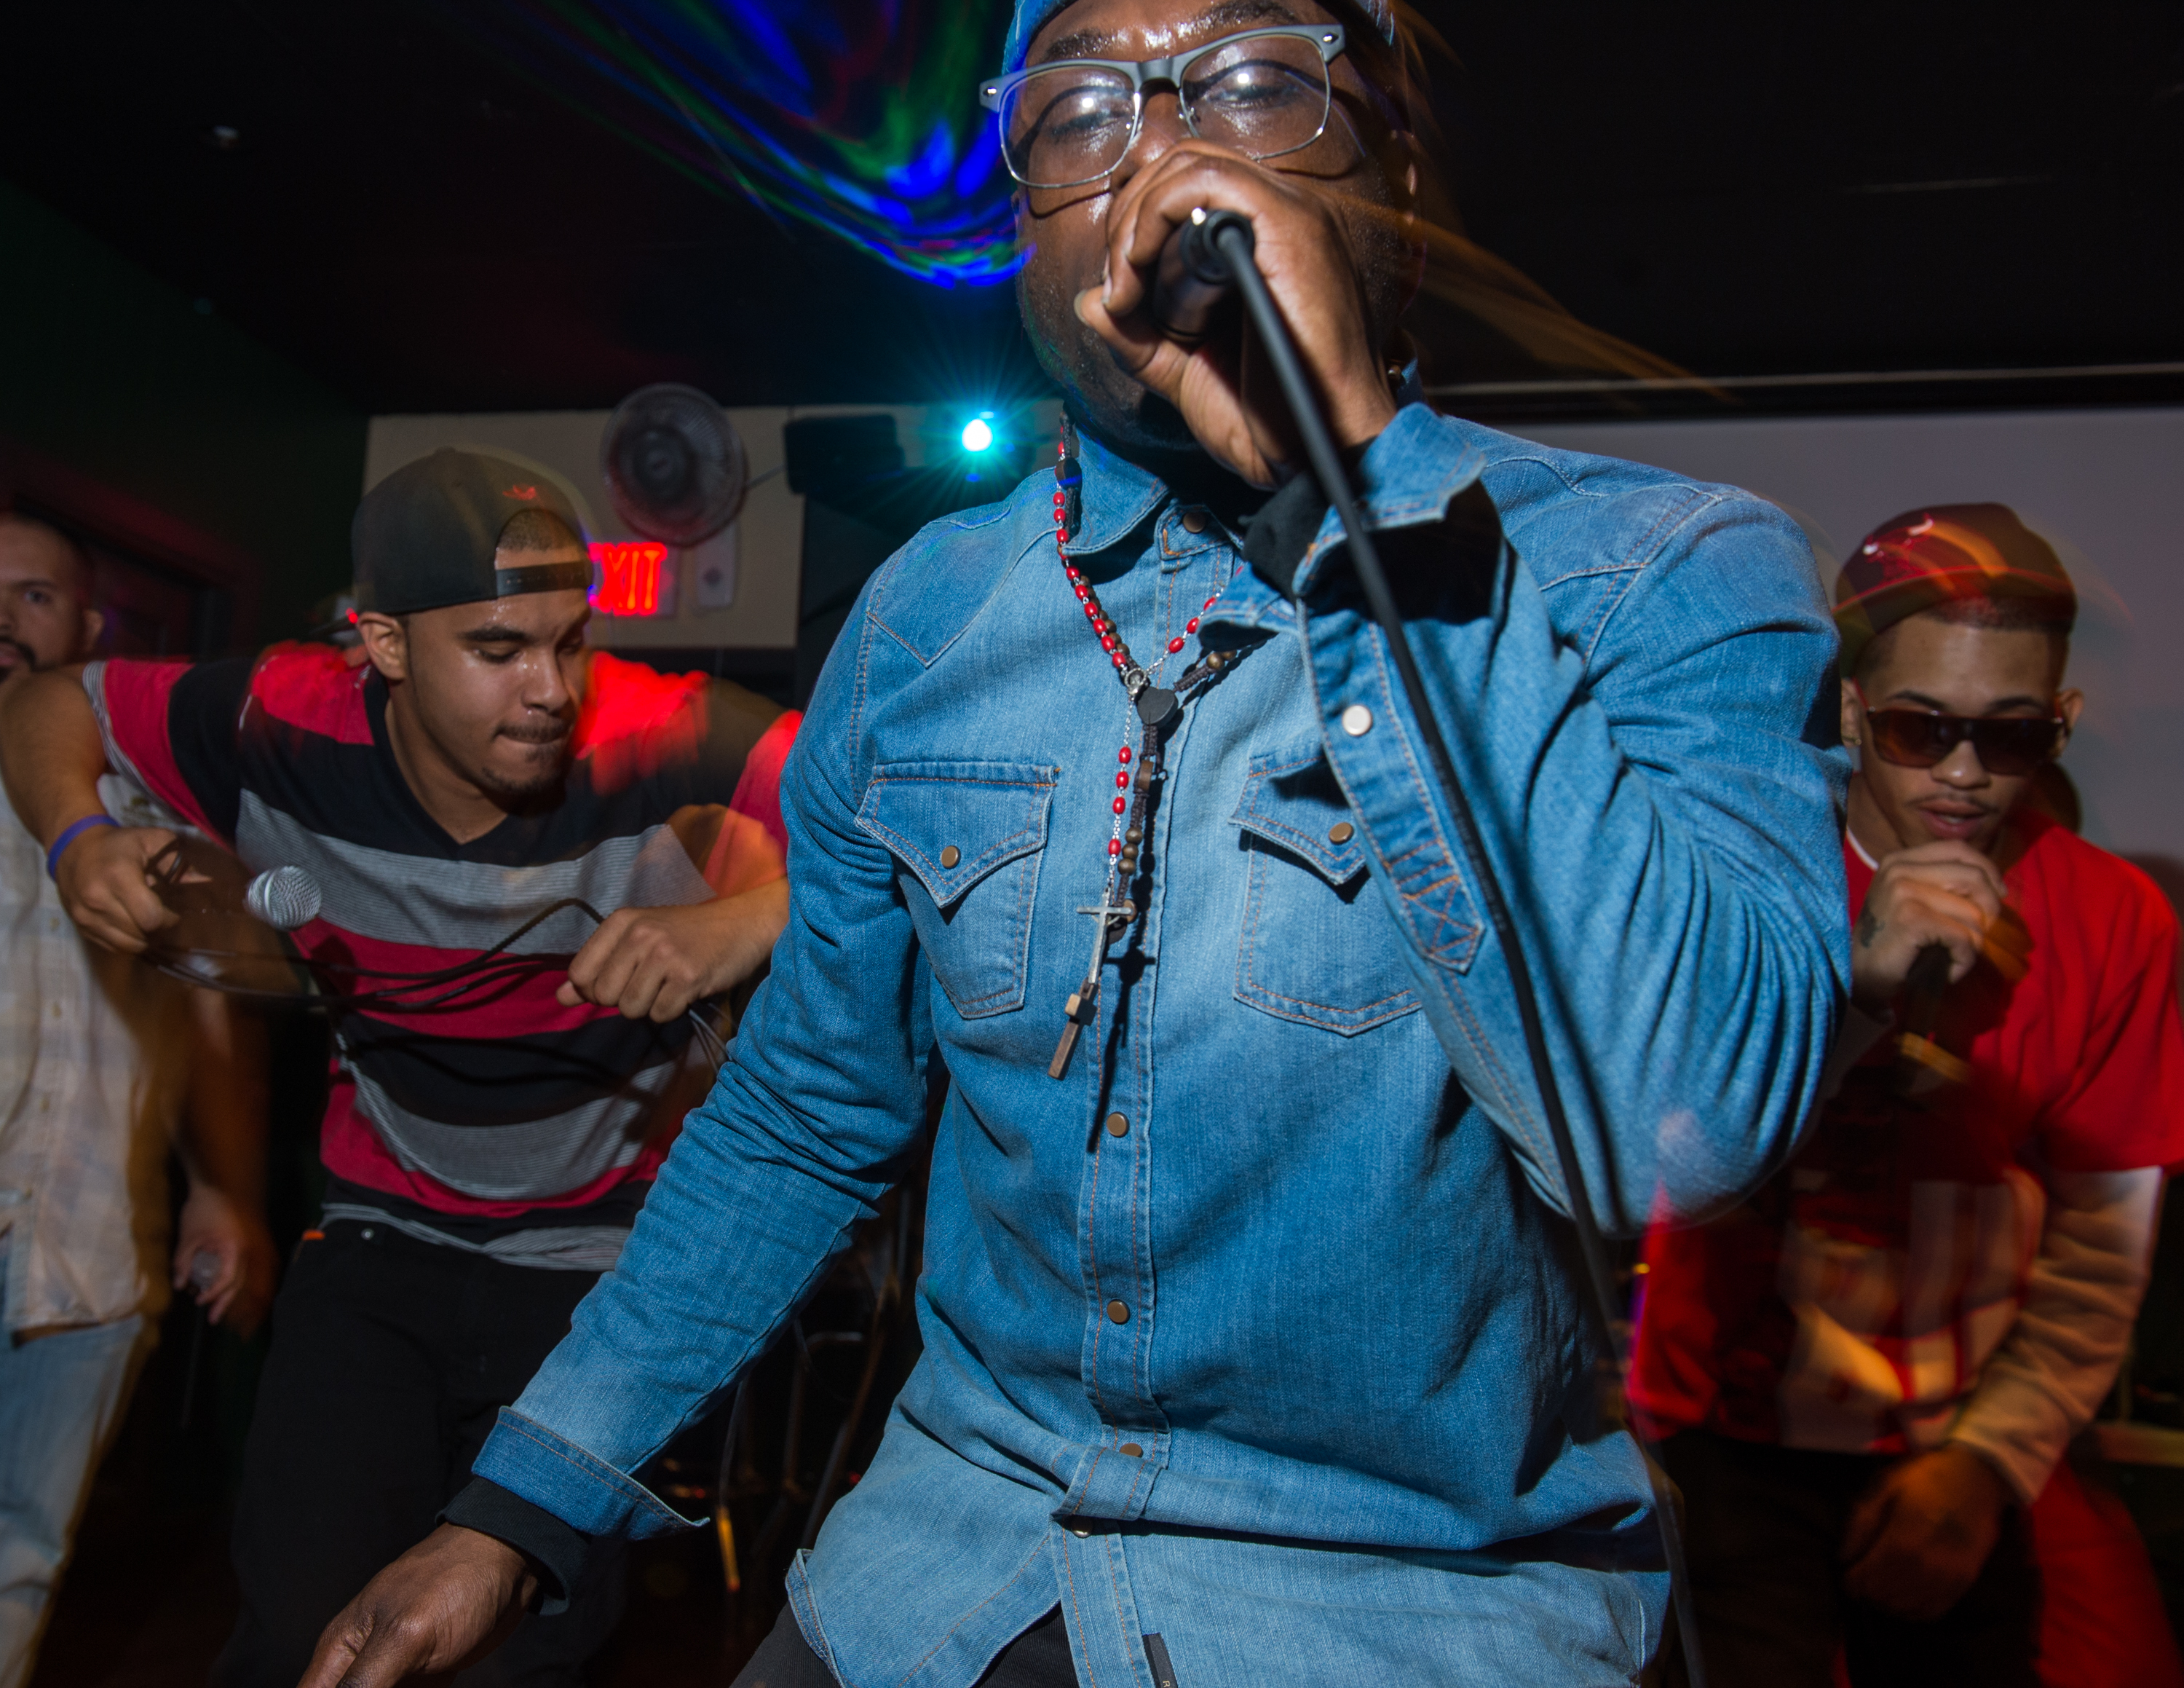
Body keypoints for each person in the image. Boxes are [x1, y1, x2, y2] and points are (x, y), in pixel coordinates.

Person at [296, 4, 1854, 1684]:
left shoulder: (1661, 566)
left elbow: (1667, 1132)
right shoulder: (928, 617)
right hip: (940, 1573)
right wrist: (524, 1502)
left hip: (1400, 1608)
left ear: (1386, 169)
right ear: (1023, 215)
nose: (1170, 153)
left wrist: (1364, 512)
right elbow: (806, 1106)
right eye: (1086, 106)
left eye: (1257, 84)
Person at [0, 454, 799, 1688]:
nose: (550, 690)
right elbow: (46, 707)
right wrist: (76, 835)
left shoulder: (663, 731)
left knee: (522, 1662)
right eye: (498, 647)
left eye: (569, 640)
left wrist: (741, 923)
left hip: (591, 1271)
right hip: (378, 1243)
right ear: (381, 641)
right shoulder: (276, 717)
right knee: (297, 1637)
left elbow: (913, 833)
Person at [1630, 504, 2184, 1687]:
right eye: (1918, 728)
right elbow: (1656, 1157)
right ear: (1847, 713)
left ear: (2063, 724)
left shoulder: (2117, 920)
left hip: (1956, 1447)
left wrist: (1987, 1465)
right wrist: (1860, 1000)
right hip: (1716, 1444)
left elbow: (2102, 1244)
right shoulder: (1741, 872)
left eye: (2013, 734)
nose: (1966, 771)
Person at [0, 510, 276, 1688]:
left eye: (33, 595)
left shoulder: (147, 791)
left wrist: (222, 1184)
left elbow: (207, 1006)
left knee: (20, 1553)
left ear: (89, 623)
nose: (3, 620)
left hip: (90, 1241)